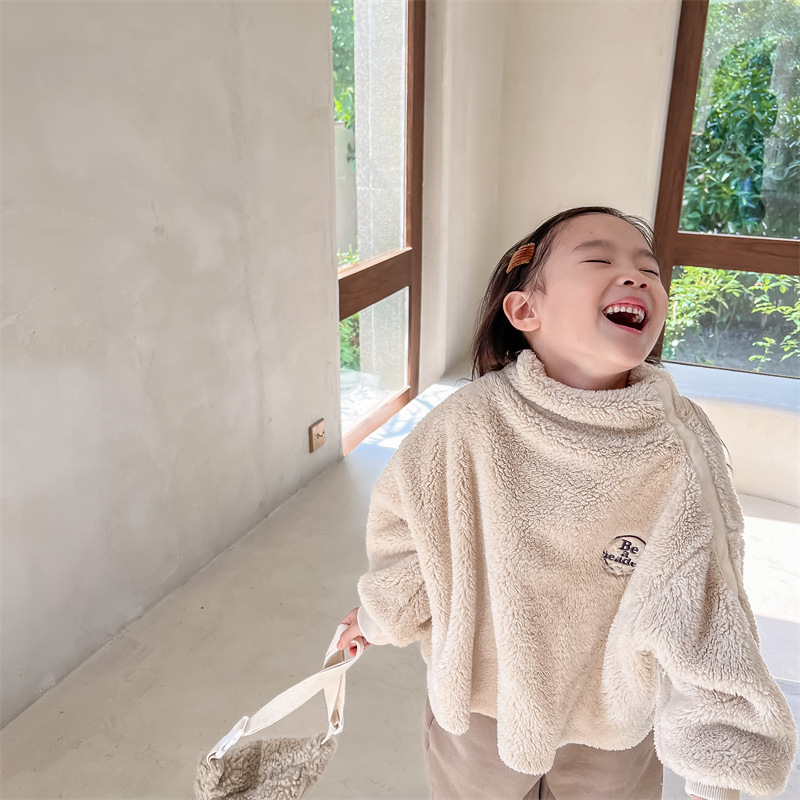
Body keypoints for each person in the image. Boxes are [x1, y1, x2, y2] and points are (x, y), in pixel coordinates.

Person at [337, 207, 797, 800]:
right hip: (480, 709)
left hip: (613, 724)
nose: (636, 277)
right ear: (525, 310)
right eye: (600, 259)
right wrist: (376, 616)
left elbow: (707, 601)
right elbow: (415, 540)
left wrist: (720, 762)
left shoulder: (679, 444)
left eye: (649, 270)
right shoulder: (466, 426)